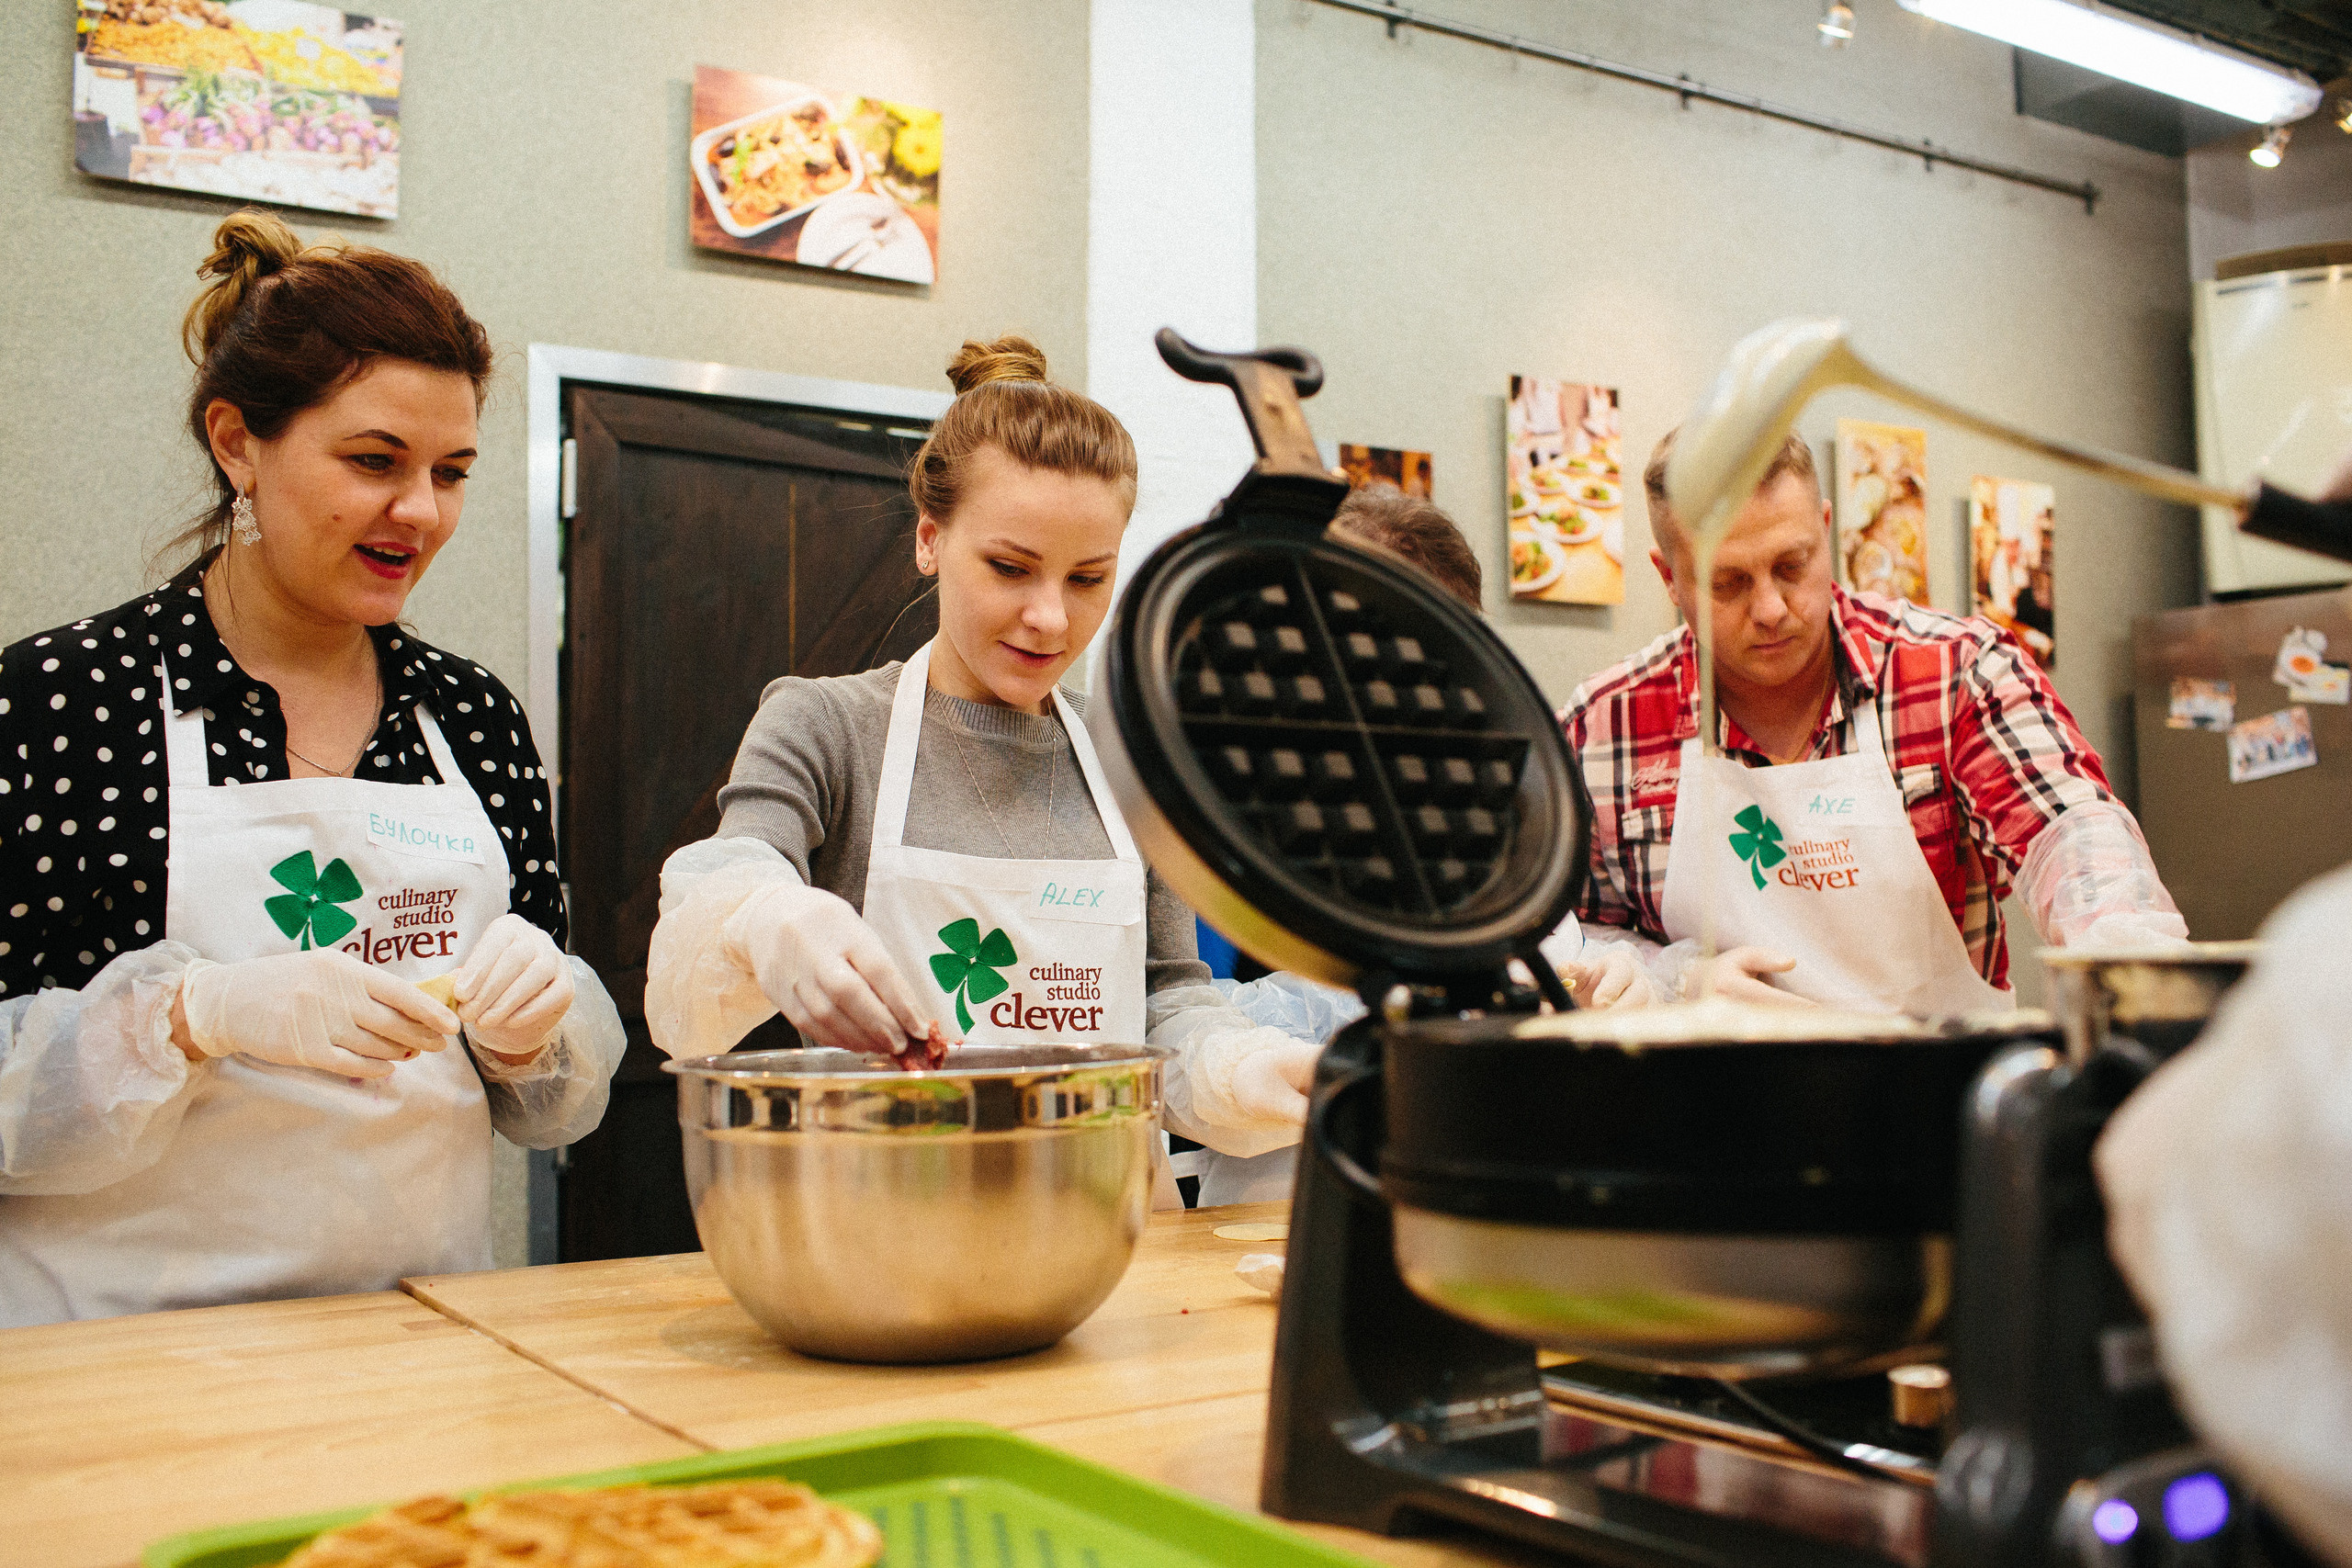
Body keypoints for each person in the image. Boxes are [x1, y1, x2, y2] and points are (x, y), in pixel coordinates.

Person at [0, 212, 624, 1327]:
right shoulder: (64, 699)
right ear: (237, 442)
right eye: (374, 461)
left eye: (453, 471)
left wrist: (540, 1031)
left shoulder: (470, 718)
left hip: (416, 1341)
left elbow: (543, 1108)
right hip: (115, 1362)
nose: (421, 513)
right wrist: (190, 1015)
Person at [644, 335, 1317, 1201]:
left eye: (1088, 578)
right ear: (930, 539)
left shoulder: (1131, 765)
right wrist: (764, 918)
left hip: (1102, 1248)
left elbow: (1167, 1008)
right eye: (1010, 567)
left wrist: (1245, 1072)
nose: (1049, 617)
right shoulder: (827, 727)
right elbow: (691, 968)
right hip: (886, 1242)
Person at [1556, 427, 2185, 1012]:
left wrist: (2128, 963)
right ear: (1669, 577)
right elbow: (1568, 931)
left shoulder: (1954, 671)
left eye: (1791, 566)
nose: (1771, 608)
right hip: (1711, 1113)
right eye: (1728, 583)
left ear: (1826, 529)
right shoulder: (1603, 727)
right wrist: (1671, 975)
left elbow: (2069, 828)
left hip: (1937, 1099)